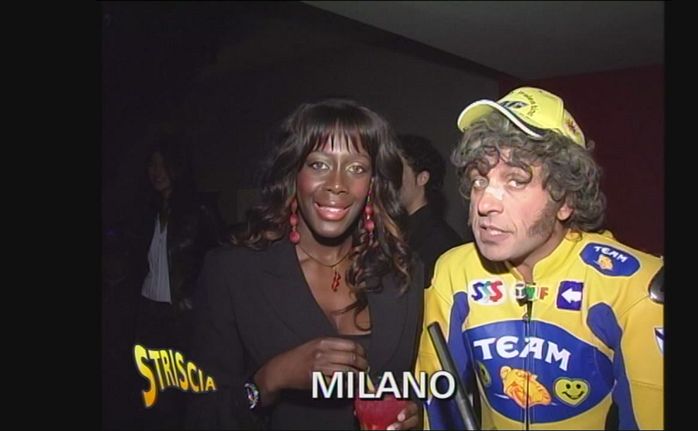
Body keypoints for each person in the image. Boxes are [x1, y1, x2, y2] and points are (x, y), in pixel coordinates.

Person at [415, 87, 663, 429]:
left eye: (516, 181)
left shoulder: (635, 286)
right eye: (479, 180)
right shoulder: (454, 272)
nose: (484, 203)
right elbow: (437, 408)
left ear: (565, 200)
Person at [186, 98, 424, 430]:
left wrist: (415, 416)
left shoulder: (402, 273)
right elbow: (202, 414)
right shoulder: (232, 273)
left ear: (372, 183)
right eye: (319, 164)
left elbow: (409, 387)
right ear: (293, 173)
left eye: (356, 168)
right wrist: (271, 378)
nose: (337, 184)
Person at [129, 138, 223, 428]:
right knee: (152, 391)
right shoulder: (147, 210)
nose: (156, 171)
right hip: (149, 310)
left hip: (184, 313)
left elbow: (220, 257)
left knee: (186, 389)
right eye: (152, 164)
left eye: (163, 164)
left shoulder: (199, 209)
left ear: (177, 167)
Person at [396, 134, 463, 288]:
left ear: (422, 178)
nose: (388, 178)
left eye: (397, 170)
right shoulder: (397, 231)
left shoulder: (440, 242)